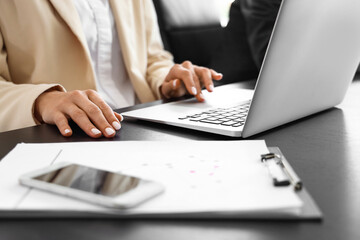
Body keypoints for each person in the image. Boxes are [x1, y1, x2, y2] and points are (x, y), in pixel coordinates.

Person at [0, 0, 223, 138]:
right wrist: (41, 101)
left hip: (141, 126)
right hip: (59, 135)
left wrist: (167, 80)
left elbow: (153, 57)